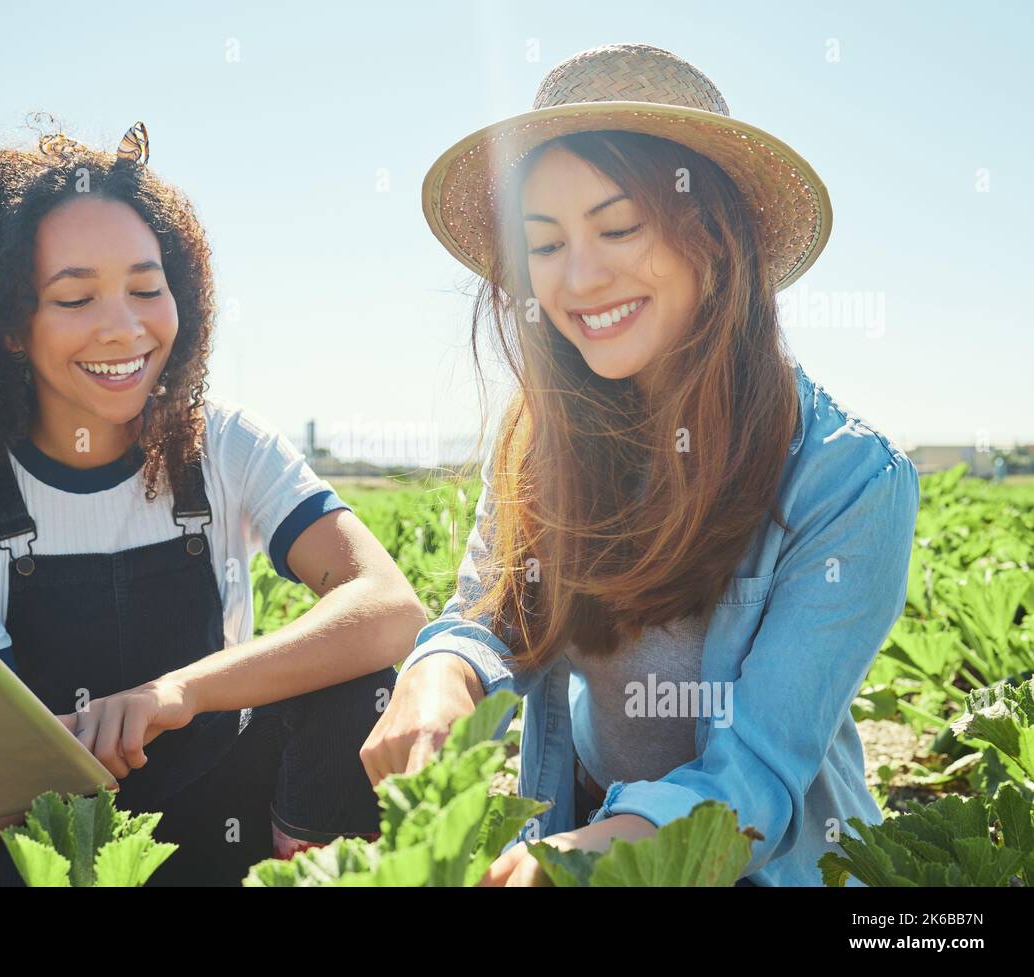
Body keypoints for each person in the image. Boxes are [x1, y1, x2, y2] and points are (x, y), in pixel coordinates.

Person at [0, 118, 426, 886]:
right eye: (76, 296)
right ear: (14, 328)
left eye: (146, 289)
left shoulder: (222, 446)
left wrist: (176, 693)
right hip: (47, 832)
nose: (124, 327)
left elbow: (388, 604)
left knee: (367, 683)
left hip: (223, 822)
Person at [360, 43, 921, 886]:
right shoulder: (542, 435)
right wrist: (440, 667)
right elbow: (488, 613)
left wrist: (576, 860)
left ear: (717, 235)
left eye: (619, 226)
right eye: (544, 244)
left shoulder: (850, 482)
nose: (580, 277)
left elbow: (755, 782)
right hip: (584, 828)